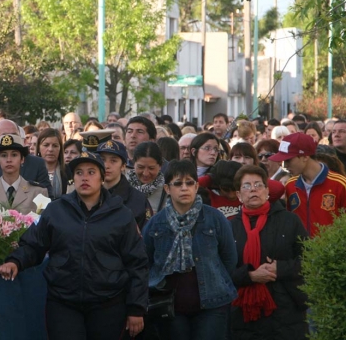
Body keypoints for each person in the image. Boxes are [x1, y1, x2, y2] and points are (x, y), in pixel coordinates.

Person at [0, 152, 149, 340]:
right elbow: (33, 244)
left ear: (102, 177)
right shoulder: (56, 210)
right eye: (79, 172)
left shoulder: (122, 215)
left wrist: (136, 308)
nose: (84, 177)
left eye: (91, 172)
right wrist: (15, 261)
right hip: (63, 302)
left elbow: (137, 263)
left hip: (108, 303)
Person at [143, 159, 237, 340]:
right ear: (167, 189)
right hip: (171, 307)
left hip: (213, 304)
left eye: (189, 183)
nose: (184, 188)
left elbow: (229, 259)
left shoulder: (215, 218)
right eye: (178, 183)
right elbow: (146, 261)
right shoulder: (156, 223)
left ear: (196, 186)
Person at [230, 165, 309, 339]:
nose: (253, 190)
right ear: (238, 195)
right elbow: (222, 271)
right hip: (244, 316)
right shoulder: (230, 227)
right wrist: (249, 276)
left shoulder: (289, 220)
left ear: (267, 191)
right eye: (246, 186)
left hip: (286, 310)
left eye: (258, 185)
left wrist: (279, 269)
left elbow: (309, 259)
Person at [268, 132, 346, 237]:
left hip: (330, 252)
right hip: (299, 251)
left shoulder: (340, 184)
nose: (285, 165)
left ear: (304, 156)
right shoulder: (290, 185)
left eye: (288, 160)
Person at [0, 134, 48, 214]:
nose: (9, 160)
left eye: (14, 155)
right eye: (4, 155)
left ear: (22, 159)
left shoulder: (38, 193)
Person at [0, 119, 52, 195]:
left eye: (14, 135)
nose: (10, 139)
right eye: (4, 135)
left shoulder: (37, 164)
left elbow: (47, 199)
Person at [98, 140, 153, 228]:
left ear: (123, 166)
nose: (106, 165)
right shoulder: (89, 194)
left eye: (113, 161)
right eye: (102, 159)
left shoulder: (138, 199)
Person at [126, 142, 167, 214]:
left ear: (160, 166)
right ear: (133, 163)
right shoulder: (123, 186)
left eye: (151, 168)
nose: (145, 173)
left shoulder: (167, 190)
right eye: (140, 167)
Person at [36, 128, 68, 198]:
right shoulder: (30, 171)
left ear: (60, 148)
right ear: (38, 147)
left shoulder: (68, 172)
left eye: (55, 146)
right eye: (46, 145)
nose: (50, 149)